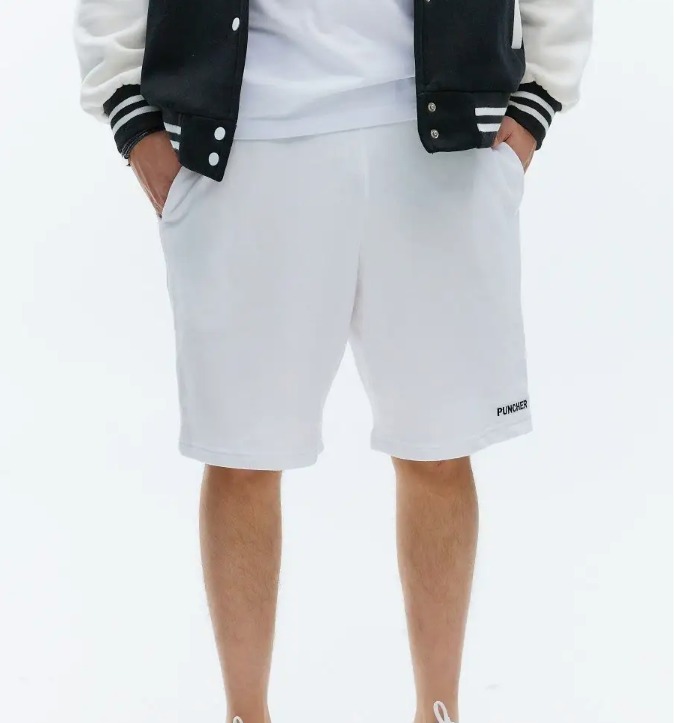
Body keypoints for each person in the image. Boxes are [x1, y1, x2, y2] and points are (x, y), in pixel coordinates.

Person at [73, 1, 592, 721]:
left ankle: (439, 711)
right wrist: (130, 115)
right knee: (242, 454)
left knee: (440, 447)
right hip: (245, 132)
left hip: (441, 133)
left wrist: (538, 98)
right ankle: (244, 714)